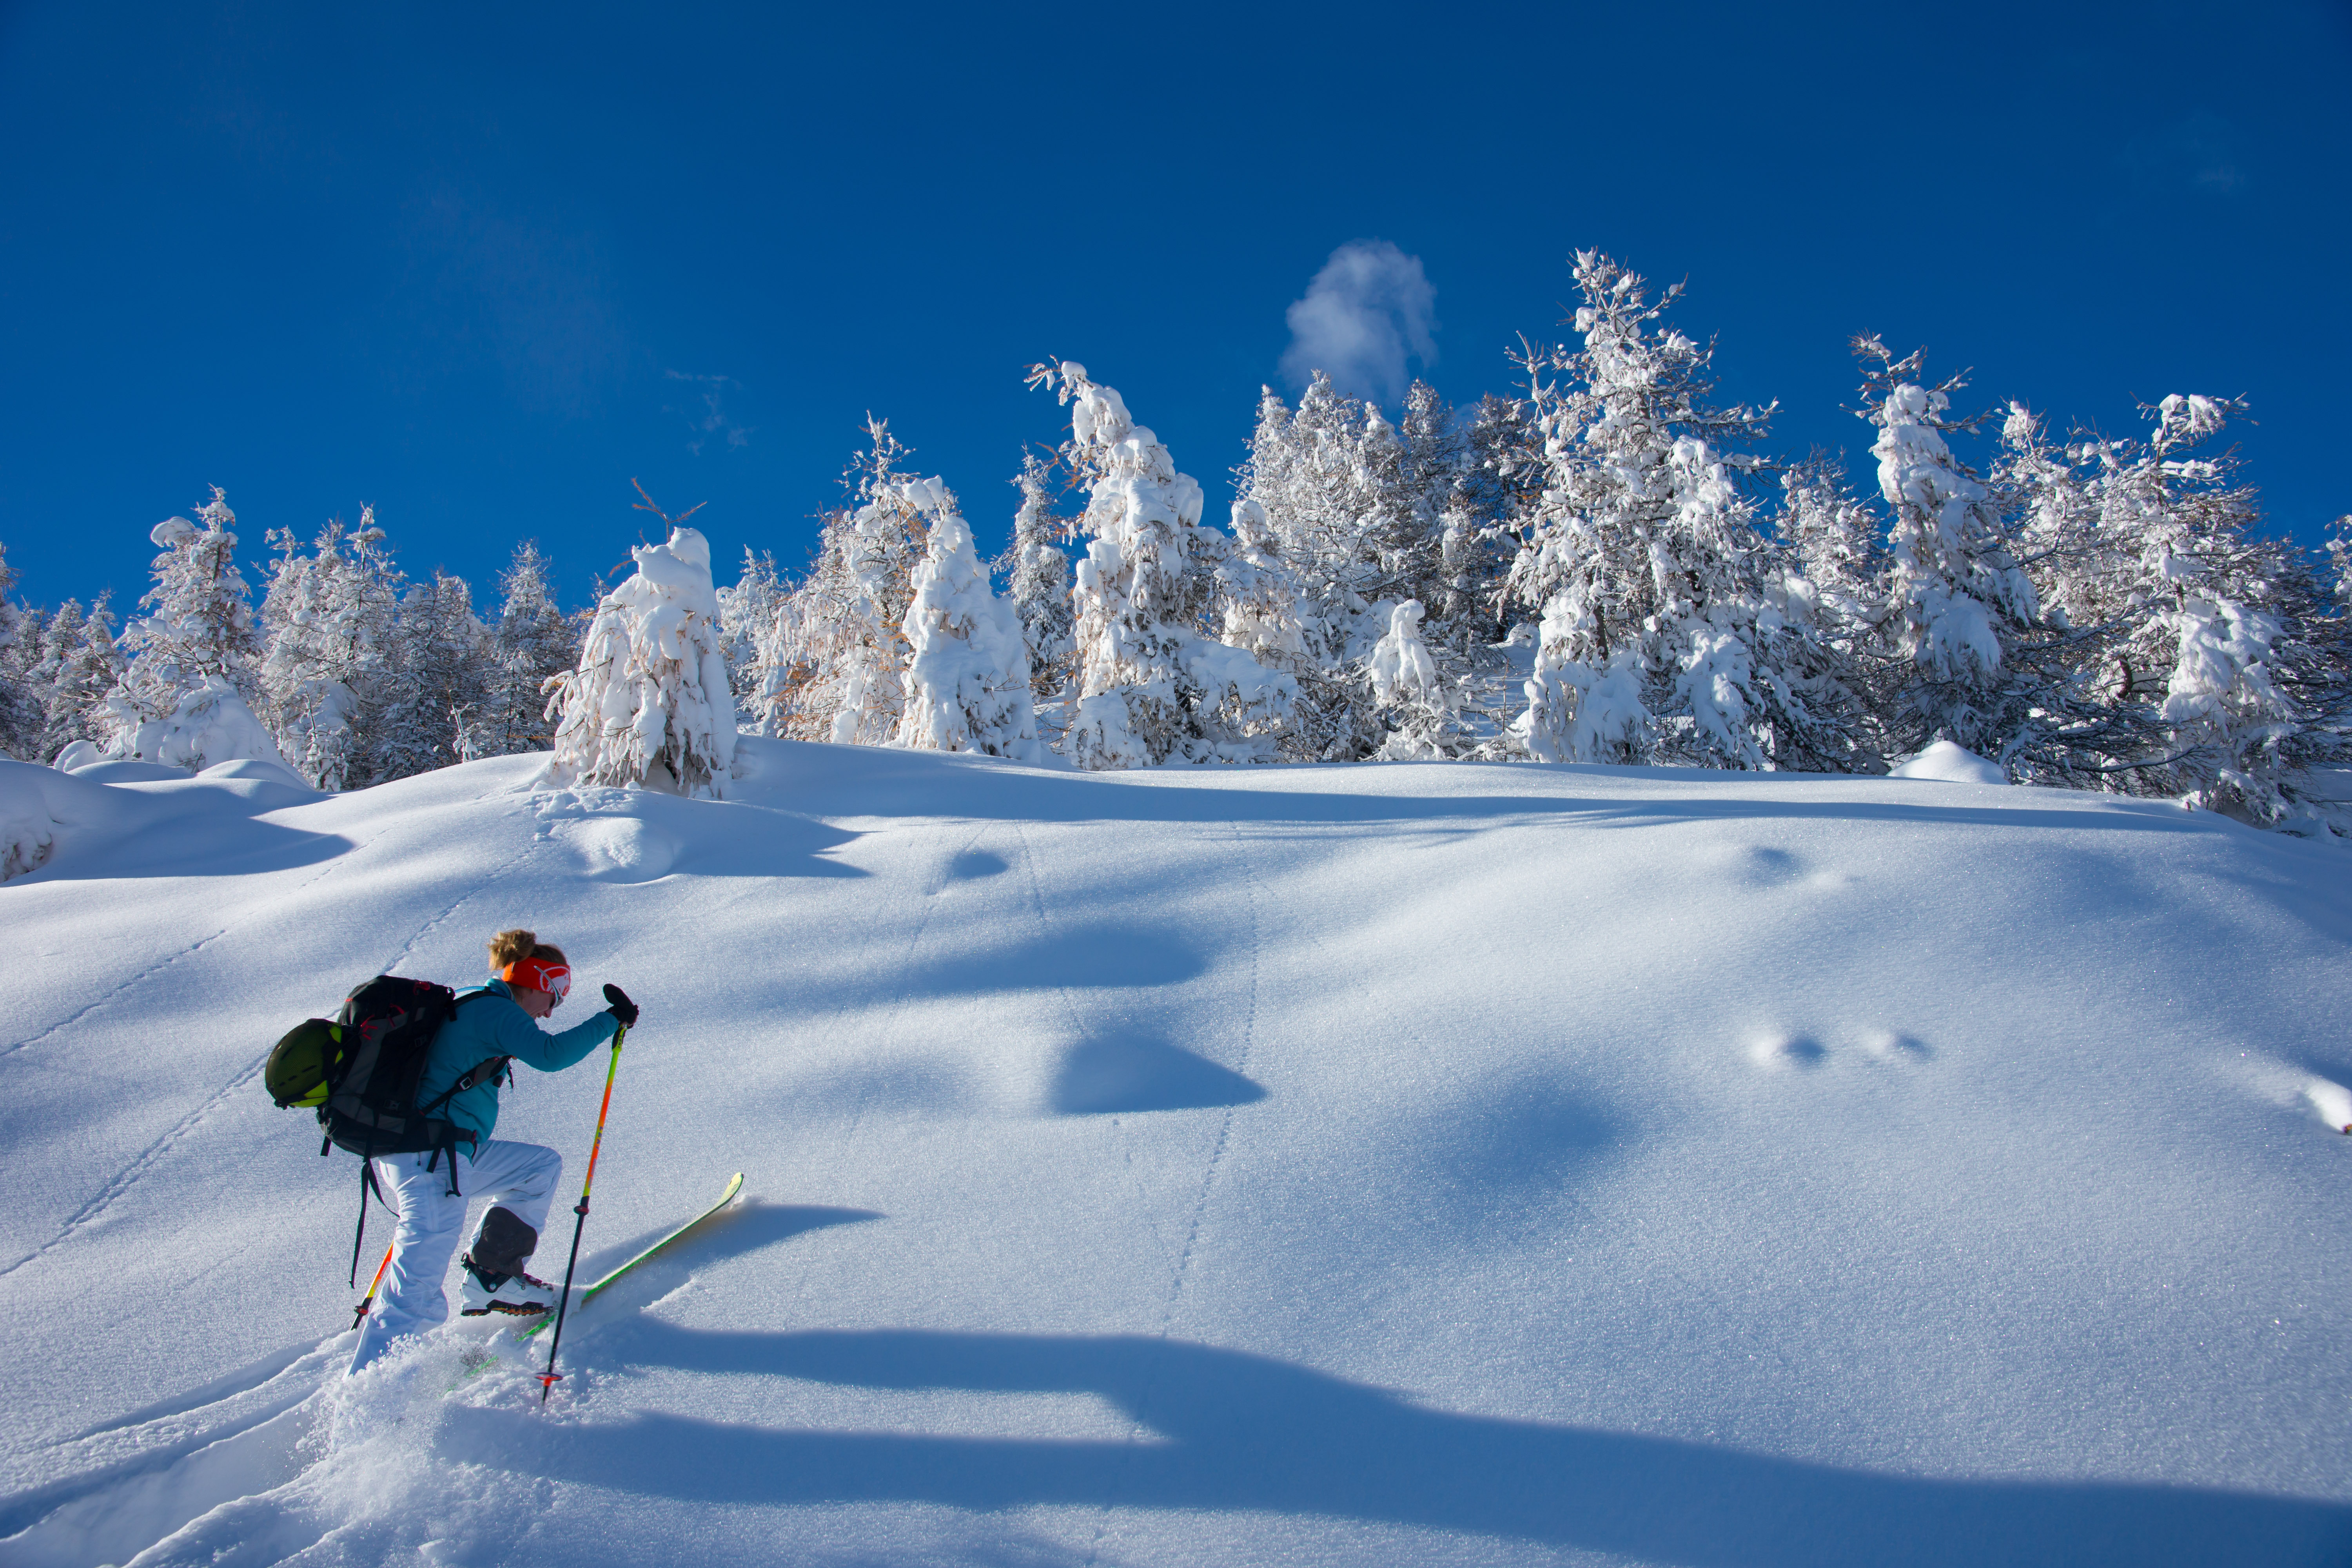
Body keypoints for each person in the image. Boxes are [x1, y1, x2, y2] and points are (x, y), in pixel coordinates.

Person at [345, 927, 640, 1377]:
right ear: (538, 979)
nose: (552, 1010)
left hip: (442, 1155)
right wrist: (610, 1019)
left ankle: (492, 1278)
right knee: (413, 1296)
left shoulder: (473, 1003)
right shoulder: (494, 1010)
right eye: (556, 995)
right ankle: (371, 1410)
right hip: (429, 1160)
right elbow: (551, 1054)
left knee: (537, 1168)